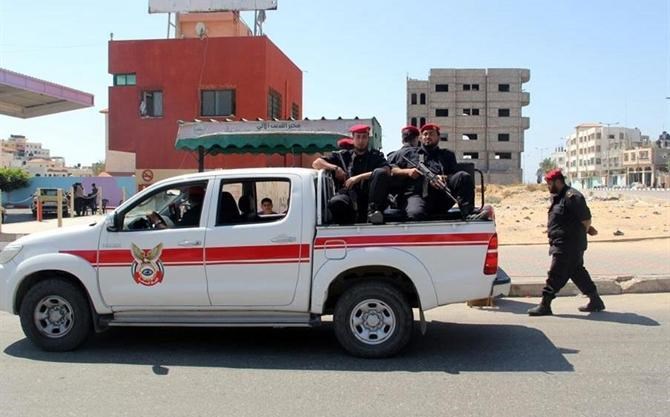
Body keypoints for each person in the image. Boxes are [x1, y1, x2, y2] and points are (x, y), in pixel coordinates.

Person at [527, 169, 604, 316]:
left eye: (549, 183)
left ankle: (545, 304)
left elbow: (586, 219)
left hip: (568, 244)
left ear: (558, 182)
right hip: (562, 242)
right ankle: (595, 301)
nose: (548, 187)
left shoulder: (572, 196)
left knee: (555, 273)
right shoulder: (559, 197)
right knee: (577, 272)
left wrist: (583, 231)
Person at [390, 123, 474, 220]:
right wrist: (408, 172)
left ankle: (468, 213)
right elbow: (391, 168)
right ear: (421, 138)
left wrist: (442, 178)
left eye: (431, 134)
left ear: (438, 137)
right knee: (415, 214)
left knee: (463, 176)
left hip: (441, 195)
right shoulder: (409, 153)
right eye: (425, 134)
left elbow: (454, 175)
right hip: (418, 196)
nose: (428, 137)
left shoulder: (447, 155)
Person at [312, 124, 390, 224]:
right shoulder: (343, 155)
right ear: (353, 138)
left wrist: (358, 178)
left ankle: (373, 213)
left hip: (370, 200)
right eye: (358, 137)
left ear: (368, 138)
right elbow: (316, 163)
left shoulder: (376, 156)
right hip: (349, 198)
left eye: (364, 137)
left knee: (379, 172)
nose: (361, 141)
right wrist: (336, 168)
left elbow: (386, 170)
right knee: (336, 202)